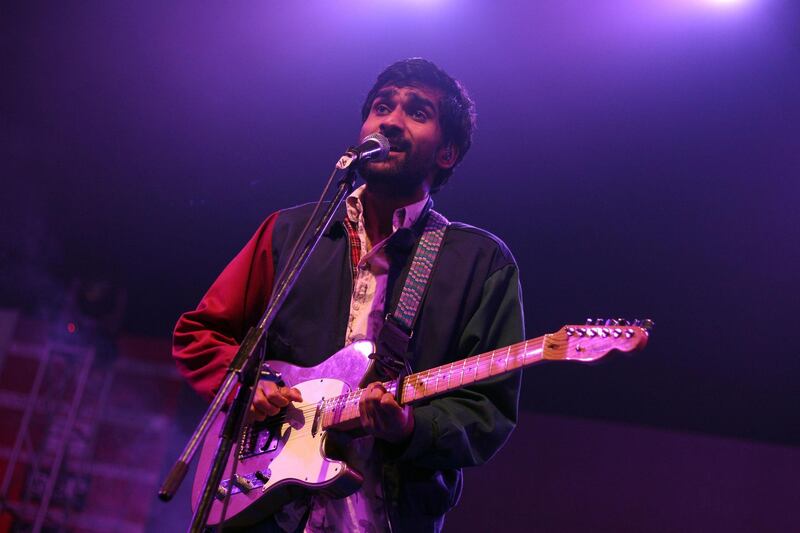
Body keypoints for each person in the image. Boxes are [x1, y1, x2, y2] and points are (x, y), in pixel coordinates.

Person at [173, 58, 525, 533]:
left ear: (447, 153)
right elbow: (203, 332)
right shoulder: (293, 231)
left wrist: (409, 428)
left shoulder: (481, 264)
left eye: (417, 112)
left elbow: (488, 409)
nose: (391, 121)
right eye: (382, 107)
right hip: (265, 512)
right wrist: (246, 387)